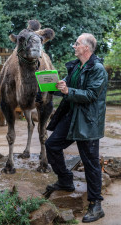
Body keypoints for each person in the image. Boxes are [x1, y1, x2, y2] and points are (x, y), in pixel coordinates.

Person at [45, 33, 108, 223]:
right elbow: (64, 88)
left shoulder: (97, 69)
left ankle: (96, 205)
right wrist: (51, 85)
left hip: (87, 122)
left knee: (90, 162)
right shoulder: (76, 66)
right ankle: (65, 180)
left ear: (86, 48)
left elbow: (90, 95)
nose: (74, 46)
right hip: (72, 117)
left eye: (77, 44)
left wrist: (68, 91)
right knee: (52, 145)